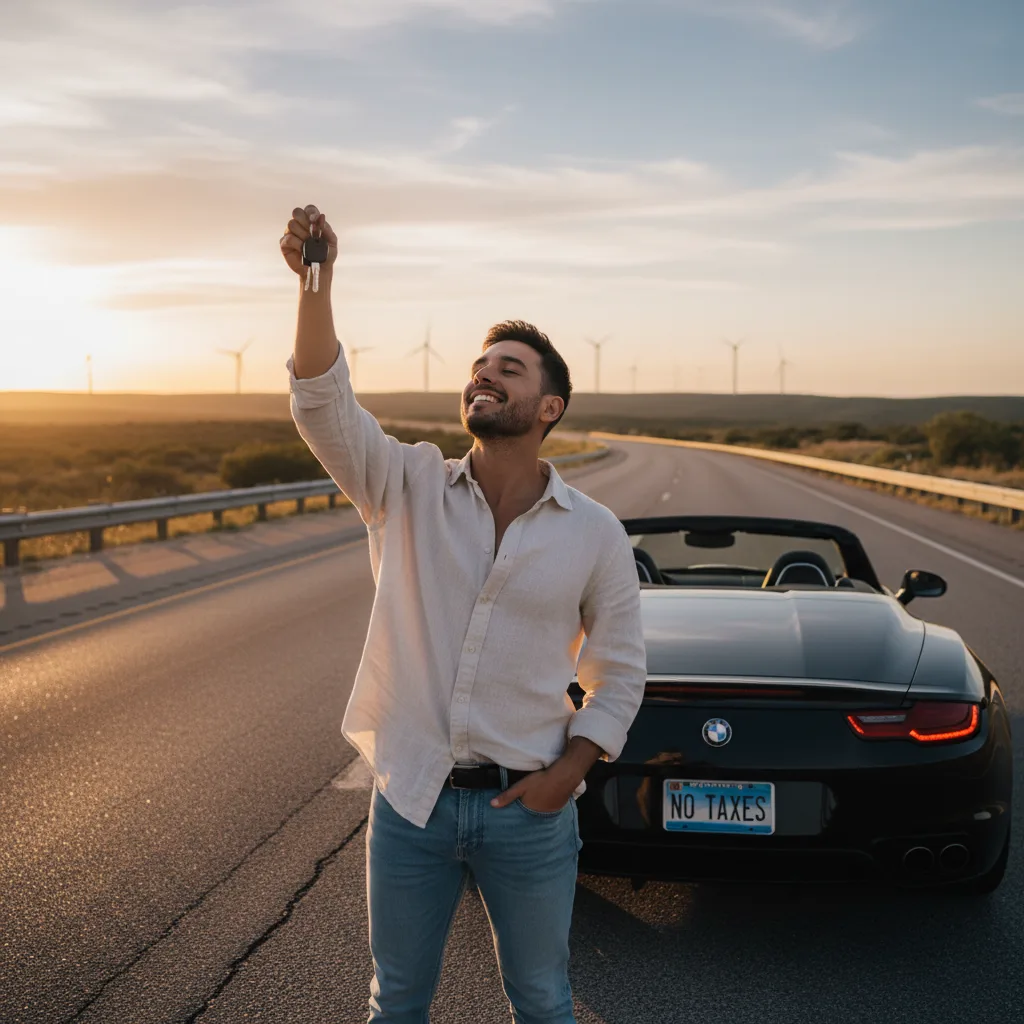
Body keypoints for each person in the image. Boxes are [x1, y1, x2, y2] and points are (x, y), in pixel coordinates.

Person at [279, 204, 646, 1024]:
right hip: (411, 801)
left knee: (544, 1002)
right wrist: (316, 280)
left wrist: (566, 777)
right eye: (480, 366)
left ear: (549, 408)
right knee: (397, 1004)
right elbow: (320, 405)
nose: (484, 374)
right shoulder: (404, 486)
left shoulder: (595, 533)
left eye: (509, 368)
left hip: (530, 811)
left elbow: (618, 673)